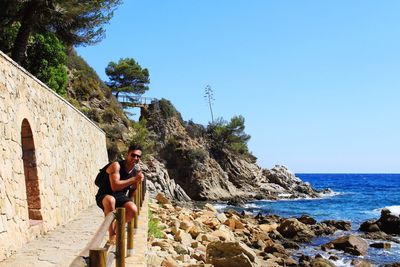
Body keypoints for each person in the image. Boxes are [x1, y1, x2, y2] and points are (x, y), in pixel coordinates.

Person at [95, 144, 144, 244]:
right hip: (105, 194)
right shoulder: (116, 166)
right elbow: (115, 186)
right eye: (133, 155)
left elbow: (133, 190)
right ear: (127, 154)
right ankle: (111, 234)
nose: (135, 158)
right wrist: (134, 179)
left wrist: (137, 183)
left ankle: (117, 231)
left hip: (120, 196)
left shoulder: (135, 172)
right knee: (110, 200)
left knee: (133, 209)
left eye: (138, 156)